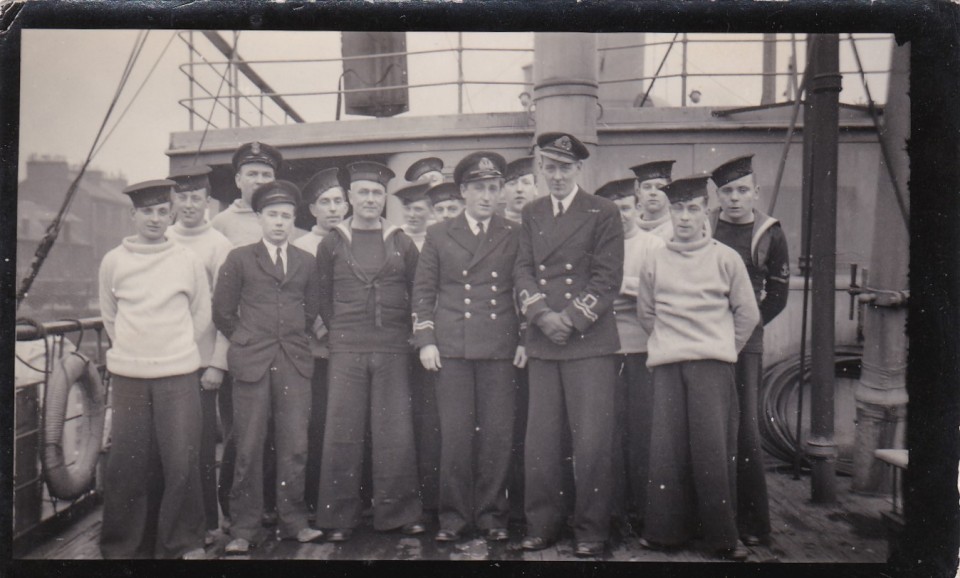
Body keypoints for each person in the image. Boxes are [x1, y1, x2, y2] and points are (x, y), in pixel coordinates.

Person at [636, 174, 760, 561]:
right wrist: (672, 344)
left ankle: (722, 538)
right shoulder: (655, 258)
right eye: (678, 209)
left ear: (706, 210)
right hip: (669, 366)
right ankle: (664, 534)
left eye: (692, 209)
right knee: (667, 451)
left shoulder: (726, 258)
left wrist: (722, 348)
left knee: (712, 451)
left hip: (712, 368)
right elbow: (647, 312)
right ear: (669, 211)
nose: (684, 217)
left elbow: (748, 314)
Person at [514, 132, 624, 558]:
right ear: (541, 168)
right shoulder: (531, 211)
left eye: (564, 168)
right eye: (549, 167)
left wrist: (572, 320)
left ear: (579, 169)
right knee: (541, 440)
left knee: (591, 441)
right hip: (544, 339)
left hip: (588, 343)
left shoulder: (603, 211)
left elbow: (607, 277)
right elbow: (522, 270)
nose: (556, 176)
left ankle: (591, 528)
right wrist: (542, 316)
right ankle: (542, 524)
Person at [412, 151, 525, 543]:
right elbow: (423, 292)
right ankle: (454, 518)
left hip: (499, 348)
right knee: (456, 437)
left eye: (494, 188)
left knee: (497, 435)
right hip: (453, 348)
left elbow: (523, 288)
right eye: (479, 188)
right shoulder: (439, 233)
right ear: (463, 191)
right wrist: (425, 339)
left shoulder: (514, 232)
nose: (487, 196)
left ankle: (493, 516)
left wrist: (525, 337)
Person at [98, 179, 209, 560]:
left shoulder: (187, 260)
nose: (156, 219)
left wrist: (174, 349)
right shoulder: (114, 261)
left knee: (181, 459)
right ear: (133, 215)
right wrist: (135, 350)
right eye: (147, 211)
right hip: (129, 375)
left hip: (177, 374)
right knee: (127, 463)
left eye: (163, 211)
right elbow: (110, 317)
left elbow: (200, 313)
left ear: (171, 214)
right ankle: (123, 546)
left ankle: (182, 542)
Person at [315, 161, 425, 541]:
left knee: (394, 430)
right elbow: (322, 298)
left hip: (393, 348)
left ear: (385, 199)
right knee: (342, 430)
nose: (370, 199)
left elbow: (419, 291)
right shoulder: (332, 242)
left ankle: (398, 513)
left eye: (377, 193)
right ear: (349, 197)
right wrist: (341, 333)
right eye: (363, 192)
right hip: (347, 349)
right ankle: (339, 518)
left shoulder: (401, 241)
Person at [212, 180, 324, 554]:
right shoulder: (239, 258)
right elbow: (222, 312)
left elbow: (310, 311)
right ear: (260, 218)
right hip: (251, 362)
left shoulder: (307, 262)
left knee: (294, 444)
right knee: (248, 445)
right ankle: (245, 527)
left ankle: (293, 521)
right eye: (272, 215)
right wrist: (246, 339)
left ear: (295, 219)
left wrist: (291, 336)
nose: (279, 222)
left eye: (286, 216)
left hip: (293, 361)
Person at [709, 154, 790, 547]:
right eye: (727, 191)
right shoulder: (705, 224)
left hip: (746, 343)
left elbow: (778, 295)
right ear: (717, 195)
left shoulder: (769, 233)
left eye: (743, 190)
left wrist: (747, 330)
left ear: (756, 192)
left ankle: (753, 523)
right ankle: (710, 517)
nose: (735, 198)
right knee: (709, 426)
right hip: (702, 338)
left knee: (744, 429)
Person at [211, 141, 284, 529]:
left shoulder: (282, 217)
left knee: (274, 427)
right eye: (252, 173)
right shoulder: (220, 226)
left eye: (266, 174)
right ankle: (233, 508)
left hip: (279, 346)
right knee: (240, 431)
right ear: (238, 179)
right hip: (241, 346)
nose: (259, 180)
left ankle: (268, 503)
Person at [166, 164, 234, 547]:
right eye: (182, 197)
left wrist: (218, 362)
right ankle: (173, 522)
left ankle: (207, 523)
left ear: (208, 202)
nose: (189, 205)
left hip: (203, 362)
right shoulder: (164, 238)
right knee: (170, 446)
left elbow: (224, 311)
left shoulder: (217, 245)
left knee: (203, 446)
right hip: (167, 360)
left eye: (196, 198)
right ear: (173, 200)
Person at [594, 177, 665, 534]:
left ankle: (644, 510)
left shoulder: (654, 244)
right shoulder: (596, 246)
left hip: (641, 349)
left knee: (642, 431)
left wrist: (621, 287)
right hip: (605, 349)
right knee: (608, 431)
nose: (620, 217)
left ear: (638, 208)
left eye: (625, 209)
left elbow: (661, 291)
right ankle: (613, 510)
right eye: (612, 211)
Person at [291, 167, 349, 521]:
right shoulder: (301, 246)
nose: (333, 209)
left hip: (351, 349)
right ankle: (315, 500)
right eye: (324, 203)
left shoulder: (357, 237)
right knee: (318, 425)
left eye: (338, 201)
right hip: (316, 353)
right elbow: (295, 297)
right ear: (312, 210)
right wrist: (320, 324)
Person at [631, 160, 675, 241]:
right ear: (638, 192)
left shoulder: (676, 228)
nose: (653, 193)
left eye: (659, 187)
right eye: (647, 187)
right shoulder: (630, 229)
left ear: (669, 191)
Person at [395, 181, 434, 252]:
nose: (411, 215)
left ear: (431, 210)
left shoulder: (437, 237)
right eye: (407, 209)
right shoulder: (394, 238)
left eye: (418, 209)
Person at [502, 156, 537, 225]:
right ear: (502, 191)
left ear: (536, 189)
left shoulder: (547, 227)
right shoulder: (492, 228)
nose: (519, 189)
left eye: (526, 183)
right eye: (512, 184)